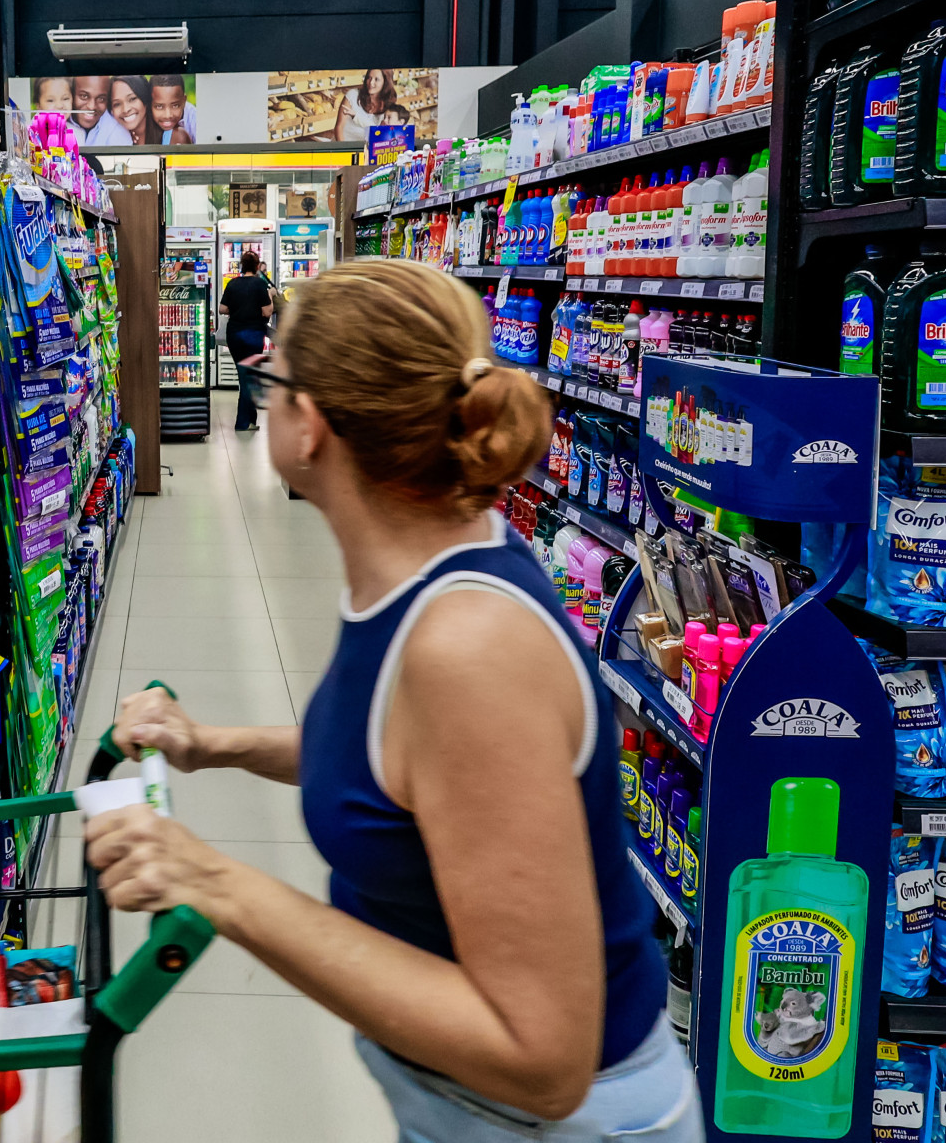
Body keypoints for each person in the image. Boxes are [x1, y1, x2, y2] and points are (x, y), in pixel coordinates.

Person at [88, 259, 701, 1143]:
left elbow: (543, 1057)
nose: (262, 385)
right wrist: (213, 742)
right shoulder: (416, 568)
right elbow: (399, 760)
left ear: (314, 428)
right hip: (460, 1104)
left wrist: (218, 884)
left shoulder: (468, 649)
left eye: (274, 374)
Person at [217, 249, 273, 431]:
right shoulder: (259, 285)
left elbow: (222, 309)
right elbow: (267, 312)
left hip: (234, 335)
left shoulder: (233, 284)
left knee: (246, 376)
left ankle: (249, 420)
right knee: (249, 377)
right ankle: (242, 422)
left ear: (242, 266)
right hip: (253, 335)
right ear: (257, 267)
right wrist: (270, 296)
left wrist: (237, 308)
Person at [333, 68, 396, 141]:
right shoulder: (353, 95)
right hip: (345, 145)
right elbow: (339, 127)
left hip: (368, 149)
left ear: (385, 82)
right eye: (369, 77)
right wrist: (344, 149)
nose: (371, 82)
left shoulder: (389, 106)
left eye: (376, 79)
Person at [71, 75, 128, 146]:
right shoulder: (59, 121)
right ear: (71, 94)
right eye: (84, 96)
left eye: (101, 99)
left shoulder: (117, 133)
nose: (92, 107)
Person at [106, 75, 158, 146]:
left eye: (132, 99)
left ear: (145, 98)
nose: (125, 109)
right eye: (117, 104)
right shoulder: (113, 139)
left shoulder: (169, 136)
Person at [149, 74, 195, 144]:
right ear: (149, 104)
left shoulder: (194, 120)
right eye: (159, 107)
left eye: (175, 106)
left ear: (184, 101)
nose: (168, 115)